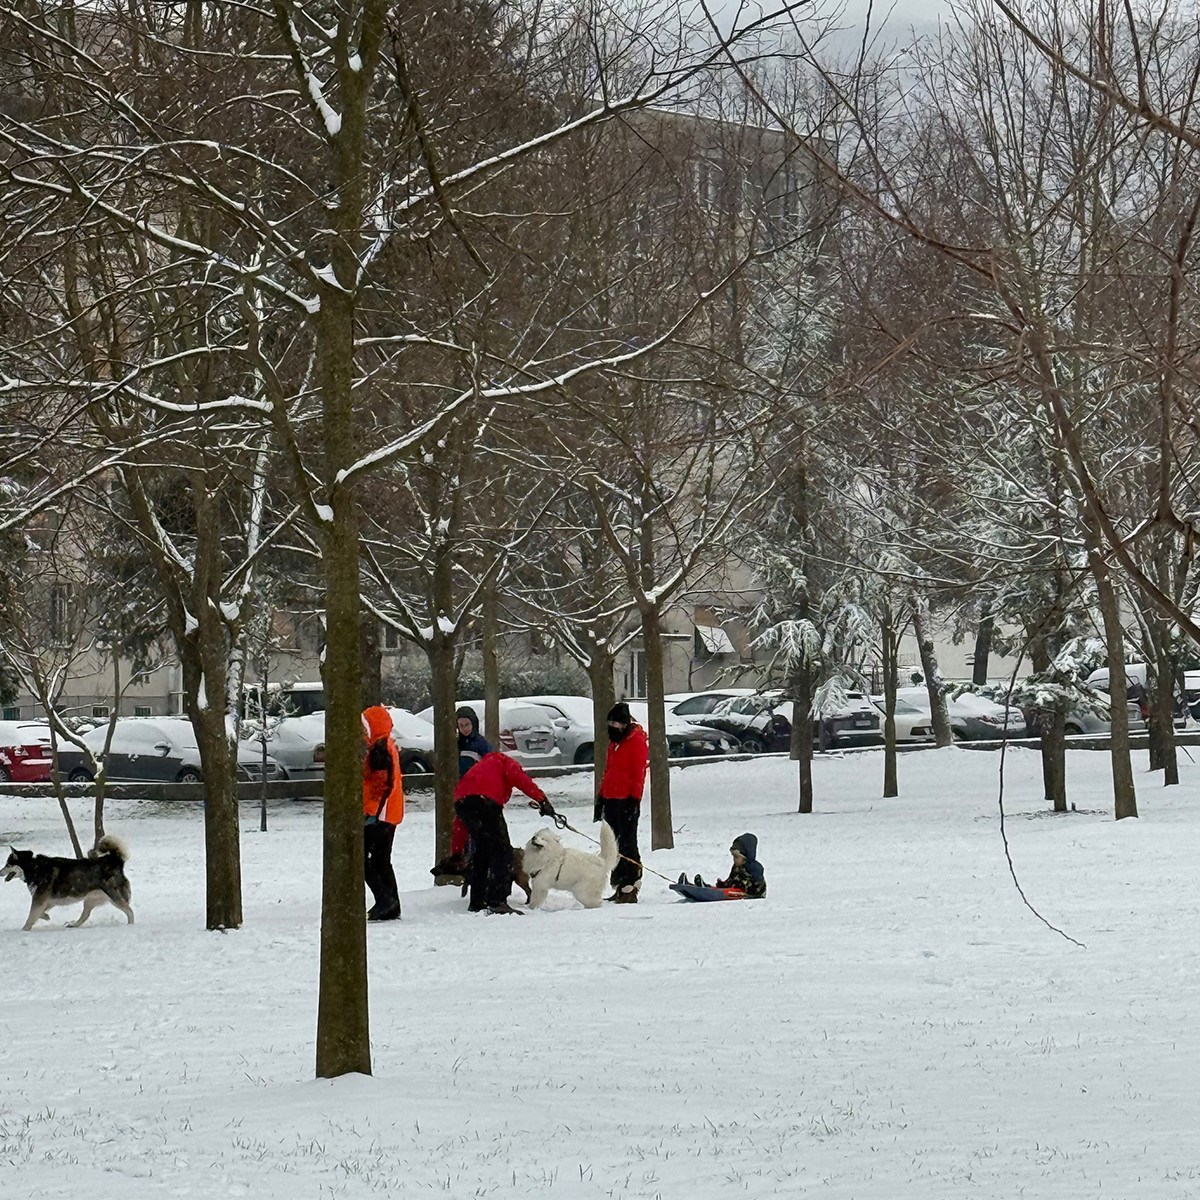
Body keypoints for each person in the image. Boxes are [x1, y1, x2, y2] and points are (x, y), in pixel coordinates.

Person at [454, 750, 555, 913]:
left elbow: (459, 824)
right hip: (485, 802)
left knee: (481, 853)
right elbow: (523, 781)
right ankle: (497, 900)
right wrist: (542, 800)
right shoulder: (505, 762)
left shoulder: (478, 770)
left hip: (461, 802)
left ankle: (477, 901)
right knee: (502, 852)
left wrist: (456, 851)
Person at [593, 701, 649, 904]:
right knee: (612, 842)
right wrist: (601, 796)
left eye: (614, 724)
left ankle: (631, 883)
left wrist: (634, 799)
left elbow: (638, 773)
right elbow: (608, 771)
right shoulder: (613, 743)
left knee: (627, 842)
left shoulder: (636, 741)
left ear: (624, 724)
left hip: (626, 799)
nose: (611, 728)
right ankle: (619, 884)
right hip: (611, 799)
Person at [362, 705, 405, 921]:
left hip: (380, 814)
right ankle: (391, 903)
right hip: (389, 813)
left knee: (368, 861)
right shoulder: (386, 745)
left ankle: (385, 901)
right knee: (381, 860)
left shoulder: (378, 750)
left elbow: (379, 786)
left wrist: (369, 812)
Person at [688, 833, 766, 898]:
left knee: (730, 891)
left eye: (736, 857)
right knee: (726, 889)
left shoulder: (755, 868)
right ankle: (705, 888)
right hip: (736, 890)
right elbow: (731, 880)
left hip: (750, 894)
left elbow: (757, 887)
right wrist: (723, 884)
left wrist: (741, 885)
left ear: (745, 857)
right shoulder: (736, 867)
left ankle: (709, 891)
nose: (734, 859)